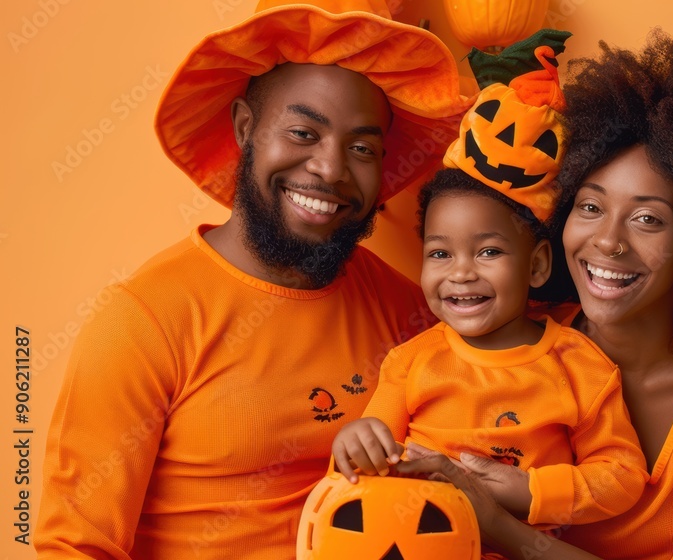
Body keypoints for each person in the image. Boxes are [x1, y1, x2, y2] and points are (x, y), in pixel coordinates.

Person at [34, 1, 467, 558]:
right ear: (246, 128)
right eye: (303, 132)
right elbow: (74, 546)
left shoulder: (407, 310)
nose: (331, 169)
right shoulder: (145, 319)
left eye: (361, 148)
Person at [397, 26, 673, 560]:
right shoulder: (515, 322)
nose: (607, 242)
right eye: (590, 207)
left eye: (647, 219)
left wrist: (499, 525)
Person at [330, 46, 648, 536]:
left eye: (487, 253)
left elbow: (622, 478)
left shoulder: (579, 366)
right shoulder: (410, 363)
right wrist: (355, 442)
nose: (460, 274)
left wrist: (518, 490)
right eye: (440, 254)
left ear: (537, 265)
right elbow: (363, 472)